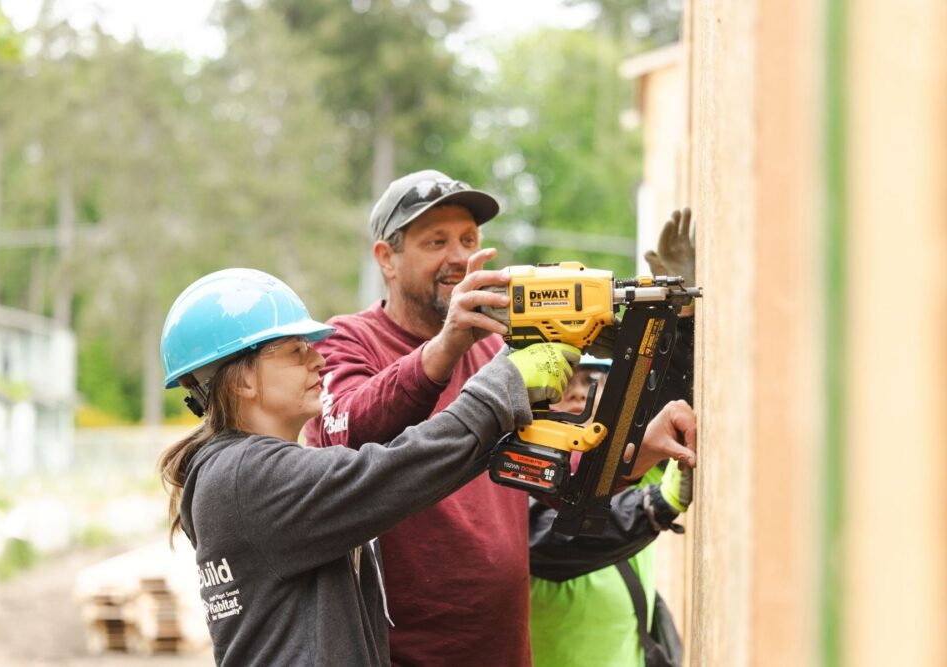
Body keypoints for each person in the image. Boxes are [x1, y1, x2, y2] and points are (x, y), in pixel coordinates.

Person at [303, 170, 698, 666]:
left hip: (502, 649)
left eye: (468, 239)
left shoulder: (496, 348)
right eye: (436, 241)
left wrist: (635, 457)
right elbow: (346, 428)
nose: (457, 257)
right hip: (403, 654)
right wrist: (446, 346)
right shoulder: (350, 339)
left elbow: (549, 474)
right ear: (386, 258)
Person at [155, 267, 580, 666]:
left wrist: (510, 415)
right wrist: (503, 384)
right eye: (295, 351)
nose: (318, 360)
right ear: (241, 380)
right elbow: (394, 472)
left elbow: (413, 473)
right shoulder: (245, 477)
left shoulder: (244, 474)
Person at [529, 208, 699, 667]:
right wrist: (657, 505)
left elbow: (676, 412)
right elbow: (560, 537)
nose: (578, 398)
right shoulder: (511, 495)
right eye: (561, 390)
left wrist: (675, 321)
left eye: (585, 386)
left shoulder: (611, 463)